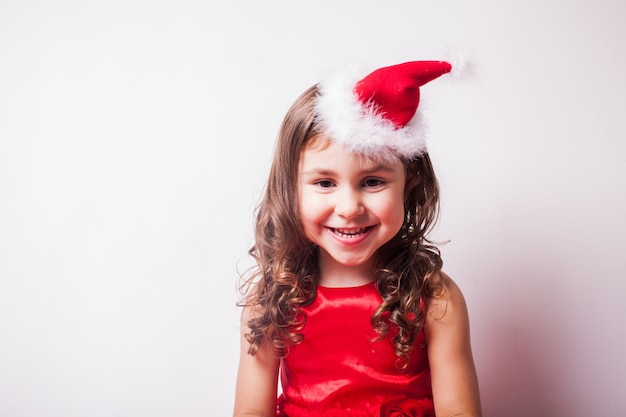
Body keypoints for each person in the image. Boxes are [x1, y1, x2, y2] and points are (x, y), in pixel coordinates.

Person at [233, 60, 482, 417]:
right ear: (291, 187)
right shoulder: (271, 300)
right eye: (324, 183)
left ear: (409, 181)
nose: (349, 208)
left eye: (372, 181)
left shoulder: (436, 299)